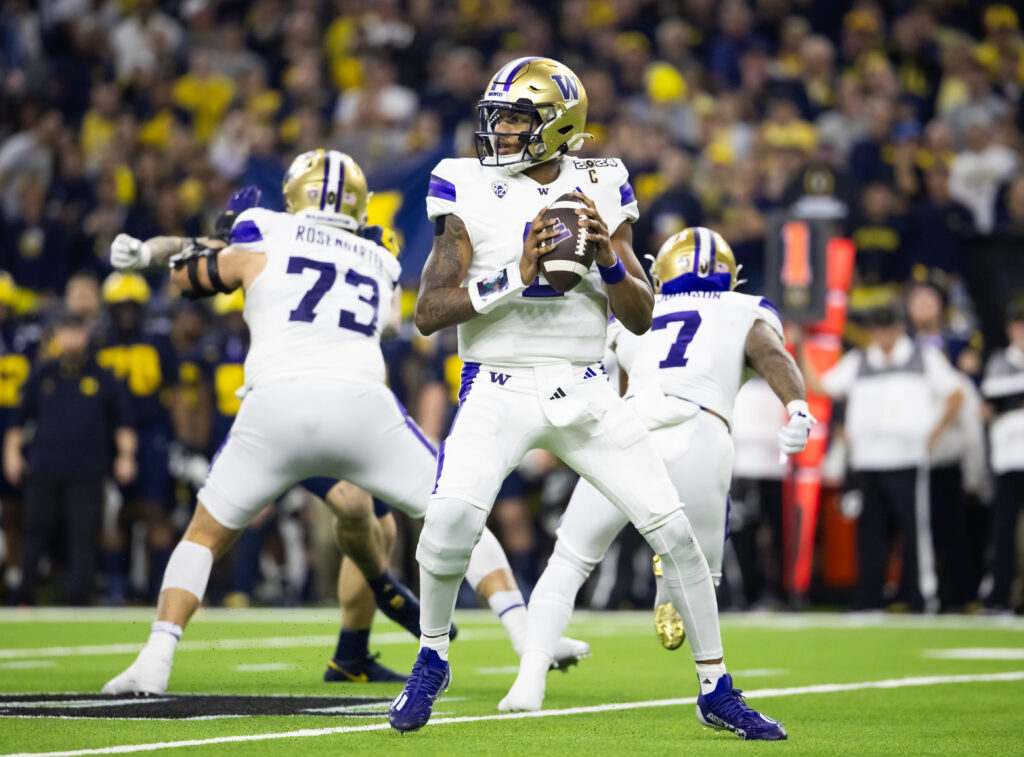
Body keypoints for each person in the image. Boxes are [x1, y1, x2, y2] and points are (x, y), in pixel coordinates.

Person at [389, 57, 788, 740]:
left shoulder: (602, 182)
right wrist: (513, 276)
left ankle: (716, 686)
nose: (503, 130)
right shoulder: (465, 184)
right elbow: (428, 311)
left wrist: (606, 259)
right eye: (501, 116)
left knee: (676, 531)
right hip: (498, 378)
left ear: (558, 125)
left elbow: (637, 314)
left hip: (583, 383)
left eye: (518, 117)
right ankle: (431, 653)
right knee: (450, 518)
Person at [100, 150, 582, 695]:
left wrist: (157, 253)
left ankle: (156, 659)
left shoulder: (264, 227)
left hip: (276, 402)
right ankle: (525, 637)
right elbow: (391, 327)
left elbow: (191, 280)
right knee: (454, 512)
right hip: (358, 403)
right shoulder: (380, 255)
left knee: (203, 536)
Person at [498, 227, 813, 711]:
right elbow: (771, 353)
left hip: (629, 431)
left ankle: (530, 678)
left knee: (568, 560)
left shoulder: (635, 313)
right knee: (701, 579)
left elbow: (600, 380)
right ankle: (702, 661)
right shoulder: (743, 308)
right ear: (731, 275)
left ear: (660, 270)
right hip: (700, 433)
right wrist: (796, 407)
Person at [803, 302, 963, 611]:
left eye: (890, 328)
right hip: (868, 459)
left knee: (914, 529)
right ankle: (869, 598)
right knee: (870, 533)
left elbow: (955, 393)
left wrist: (933, 433)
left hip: (907, 458)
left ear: (901, 328)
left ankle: (919, 596)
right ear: (873, 331)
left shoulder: (923, 357)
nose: (885, 335)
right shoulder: (860, 360)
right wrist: (800, 348)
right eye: (879, 329)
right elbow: (821, 386)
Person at [4, 310, 136, 605]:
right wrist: (12, 453)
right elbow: (18, 420)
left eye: (77, 332)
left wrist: (126, 456)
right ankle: (24, 594)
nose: (72, 339)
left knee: (83, 534)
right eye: (66, 332)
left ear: (86, 336)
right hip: (43, 467)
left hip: (88, 470)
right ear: (56, 337)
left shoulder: (103, 378)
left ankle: (77, 597)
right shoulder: (42, 374)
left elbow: (123, 423)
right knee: (35, 529)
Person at [980, 297, 1024, 612]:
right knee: (1003, 531)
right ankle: (999, 596)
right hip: (1008, 459)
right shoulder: (998, 361)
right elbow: (990, 395)